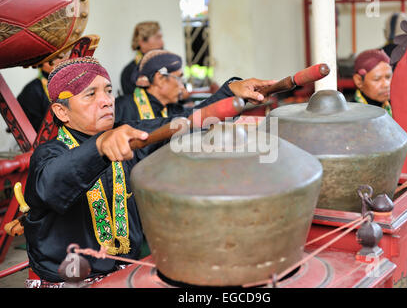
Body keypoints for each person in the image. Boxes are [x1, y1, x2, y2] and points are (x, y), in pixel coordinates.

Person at [22, 56, 274, 287]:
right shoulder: (47, 155)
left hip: (126, 272)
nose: (106, 100)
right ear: (62, 111)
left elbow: (180, 124)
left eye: (108, 91)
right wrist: (99, 147)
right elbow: (53, 185)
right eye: (90, 94)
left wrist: (228, 94)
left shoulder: (129, 135)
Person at [115, 49, 257, 121]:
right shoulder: (121, 109)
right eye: (179, 79)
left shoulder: (172, 110)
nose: (182, 87)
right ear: (159, 79)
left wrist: (232, 90)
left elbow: (199, 115)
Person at [16, 54, 67, 132]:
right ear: (42, 63)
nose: (62, 60)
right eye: (55, 58)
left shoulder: (69, 80)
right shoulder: (32, 90)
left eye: (63, 56)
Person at [120, 21, 164, 95]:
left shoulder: (167, 64)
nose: (162, 43)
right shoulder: (129, 72)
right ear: (142, 42)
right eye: (157, 38)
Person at [352, 49, 393, 116]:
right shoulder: (351, 115)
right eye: (377, 79)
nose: (386, 84)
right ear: (358, 81)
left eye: (388, 77)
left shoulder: (397, 107)